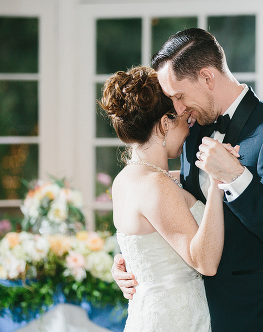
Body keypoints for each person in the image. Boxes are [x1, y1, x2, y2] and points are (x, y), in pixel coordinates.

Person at [112, 28, 263, 331]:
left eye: (179, 95)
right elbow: (176, 215)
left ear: (207, 78)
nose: (177, 109)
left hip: (260, 316)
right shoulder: (193, 130)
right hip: (199, 315)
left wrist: (234, 176)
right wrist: (133, 262)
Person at [100, 66, 229, 331]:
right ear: (165, 123)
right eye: (183, 119)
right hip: (175, 319)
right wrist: (217, 181)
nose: (188, 128)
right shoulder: (156, 184)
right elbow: (205, 262)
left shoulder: (125, 179)